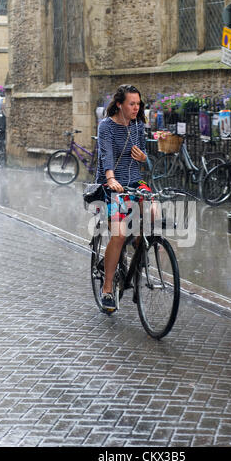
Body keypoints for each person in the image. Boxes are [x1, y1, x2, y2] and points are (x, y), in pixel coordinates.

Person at [96, 84, 151, 314]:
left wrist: (144, 157)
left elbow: (146, 159)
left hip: (134, 181)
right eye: (132, 104)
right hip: (111, 185)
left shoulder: (138, 126)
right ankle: (108, 288)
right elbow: (106, 154)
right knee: (118, 233)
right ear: (120, 104)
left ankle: (134, 269)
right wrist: (110, 178)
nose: (136, 108)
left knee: (153, 216)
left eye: (138, 104)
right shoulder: (106, 126)